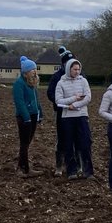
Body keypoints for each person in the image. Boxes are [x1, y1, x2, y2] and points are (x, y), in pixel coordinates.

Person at [54, 57, 93, 180]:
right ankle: (72, 171)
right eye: (75, 69)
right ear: (68, 69)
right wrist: (74, 98)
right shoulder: (61, 83)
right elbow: (58, 101)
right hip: (67, 118)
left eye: (79, 69)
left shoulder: (83, 81)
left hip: (81, 116)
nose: (77, 71)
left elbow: (87, 97)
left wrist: (74, 105)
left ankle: (88, 171)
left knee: (85, 143)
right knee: (68, 145)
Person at [46, 46, 74, 176]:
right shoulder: (57, 77)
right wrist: (60, 102)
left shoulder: (80, 75)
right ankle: (59, 166)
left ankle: (75, 165)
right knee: (61, 138)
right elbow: (50, 93)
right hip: (61, 112)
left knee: (76, 139)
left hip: (76, 111)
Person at [13, 56, 41, 176]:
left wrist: (40, 112)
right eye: (32, 69)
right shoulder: (19, 84)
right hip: (25, 117)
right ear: (26, 72)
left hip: (33, 115)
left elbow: (36, 100)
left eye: (35, 69)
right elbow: (19, 102)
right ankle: (25, 169)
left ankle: (21, 167)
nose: (34, 71)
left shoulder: (32, 83)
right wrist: (26, 117)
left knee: (27, 143)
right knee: (24, 143)